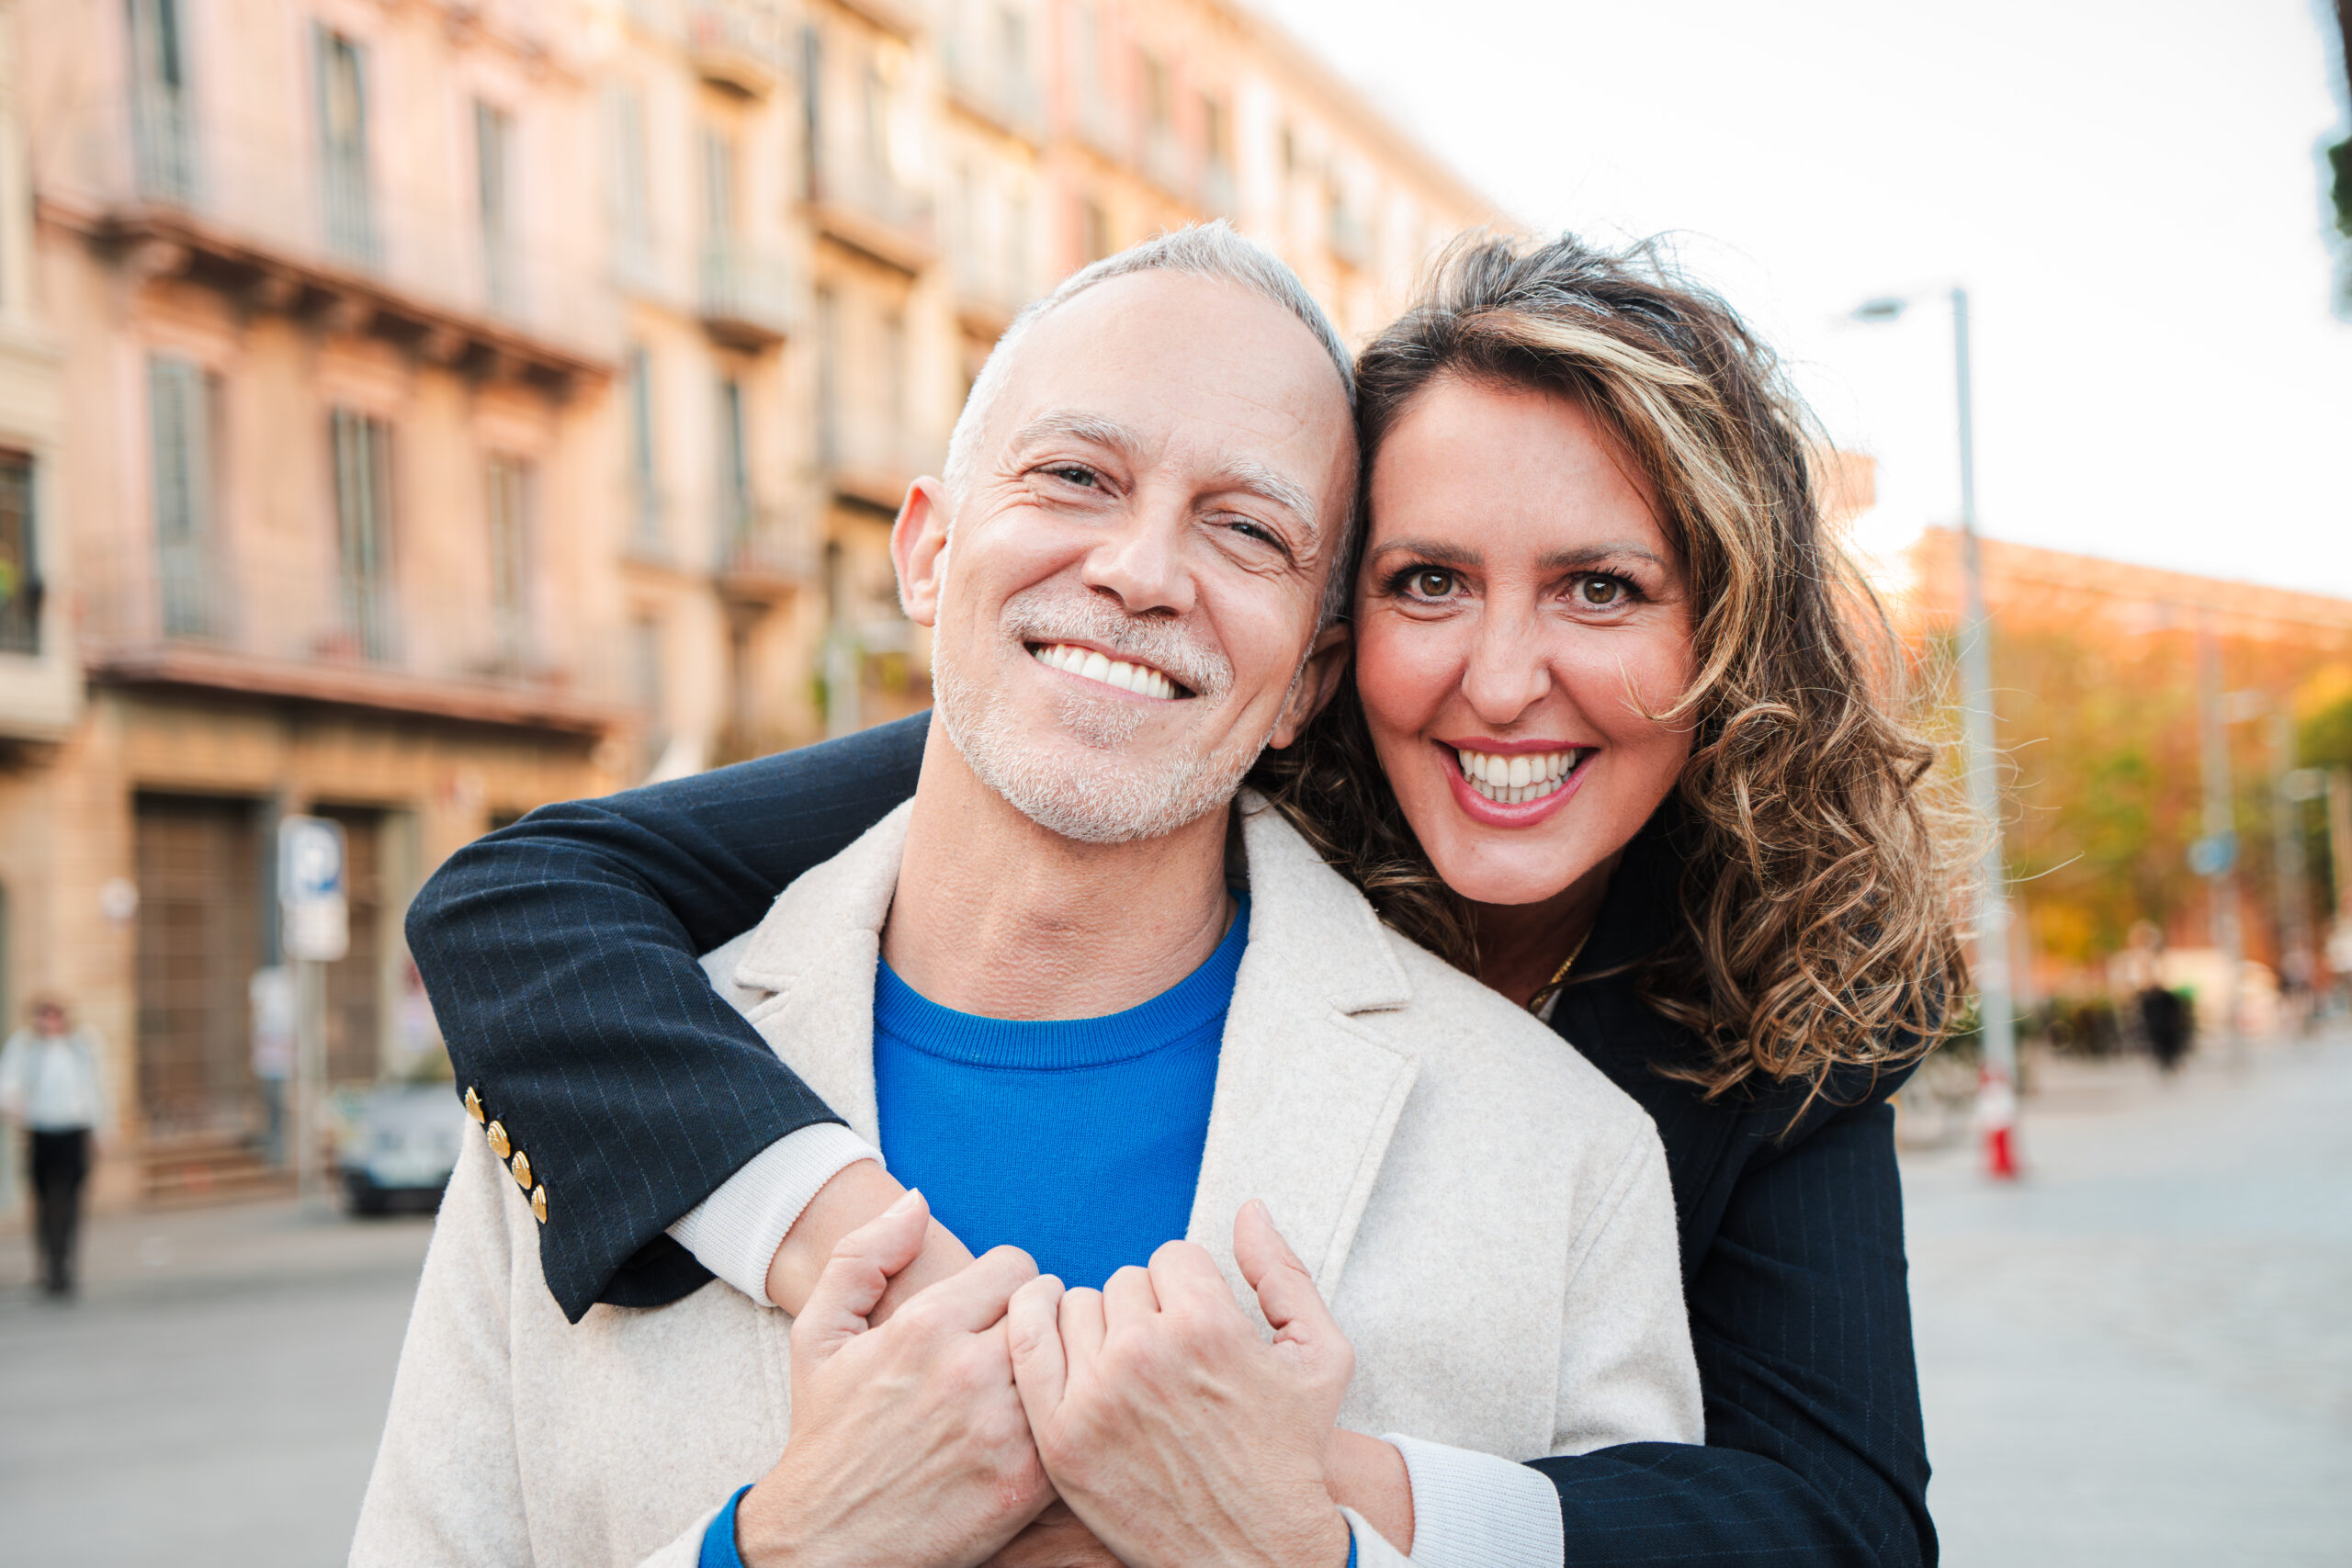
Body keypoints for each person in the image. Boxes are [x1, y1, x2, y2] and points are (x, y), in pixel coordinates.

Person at [404, 231, 1959, 1566]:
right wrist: (792, 1494)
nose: (1499, 679)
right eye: (1427, 580)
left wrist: (1311, 1505)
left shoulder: (1710, 1050)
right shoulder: (654, 1058)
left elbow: (1840, 1520)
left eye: (1600, 586)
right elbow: (531, 890)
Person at [0, 996, 113, 1297]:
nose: (50, 1022)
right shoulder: (25, 1046)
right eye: (44, 1016)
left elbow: (98, 1089)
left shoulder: (82, 1046)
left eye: (55, 1016)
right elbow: (7, 1085)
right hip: (41, 1131)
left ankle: (66, 1265)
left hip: (73, 1130)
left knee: (71, 1201)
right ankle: (48, 1265)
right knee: (45, 1202)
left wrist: (103, 1131)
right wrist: (17, 1108)